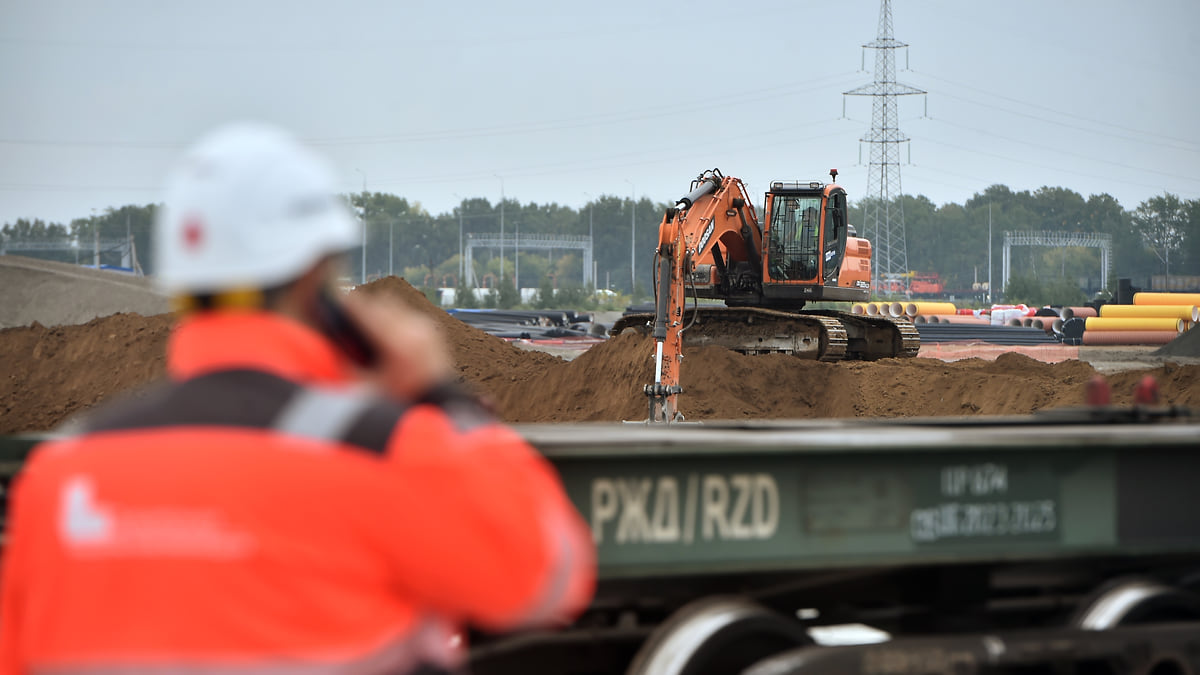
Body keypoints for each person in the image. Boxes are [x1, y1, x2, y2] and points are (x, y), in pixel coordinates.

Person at [0, 123, 595, 675]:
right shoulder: (379, 452)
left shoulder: (57, 477)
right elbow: (548, 576)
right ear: (315, 276)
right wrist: (440, 396)